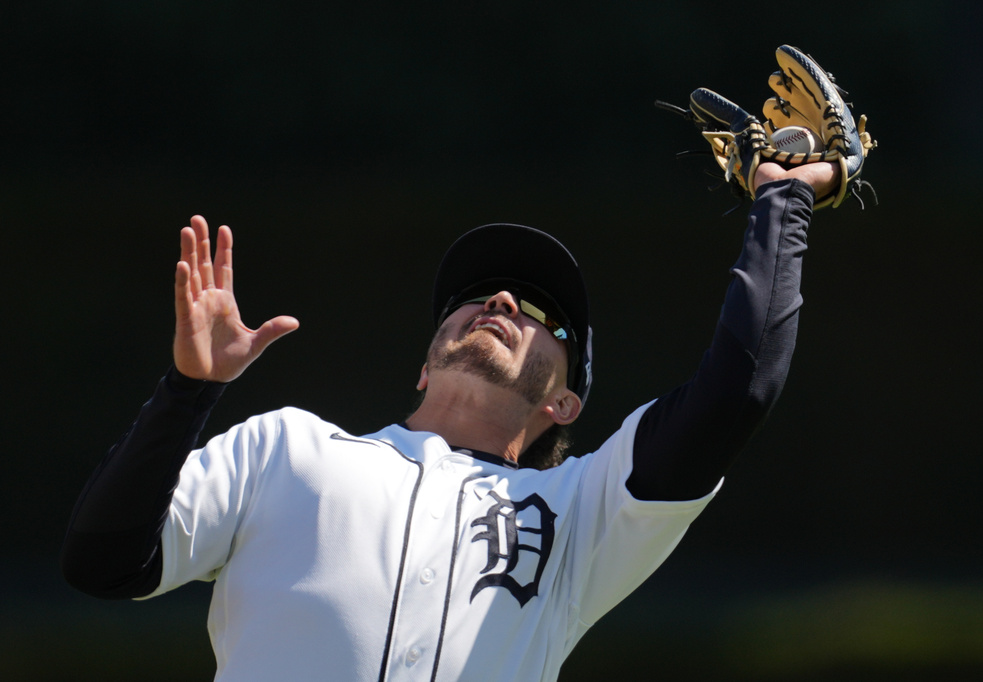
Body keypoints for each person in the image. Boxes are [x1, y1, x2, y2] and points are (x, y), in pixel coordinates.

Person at [61, 161, 838, 681]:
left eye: (541, 314)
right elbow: (103, 561)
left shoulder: (580, 515)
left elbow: (739, 385)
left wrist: (783, 195)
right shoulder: (286, 448)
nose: (502, 303)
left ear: (564, 402)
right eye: (481, 294)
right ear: (426, 363)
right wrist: (188, 390)